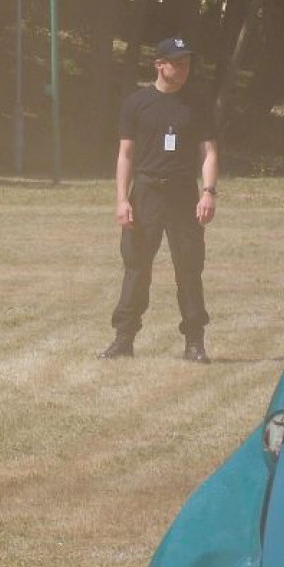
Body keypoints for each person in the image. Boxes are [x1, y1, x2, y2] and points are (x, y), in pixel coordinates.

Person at [99, 37, 217, 364]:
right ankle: (123, 340)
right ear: (159, 64)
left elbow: (207, 151)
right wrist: (122, 199)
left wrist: (208, 192)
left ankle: (195, 343)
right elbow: (125, 155)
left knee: (189, 268)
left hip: (183, 194)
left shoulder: (197, 104)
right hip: (146, 192)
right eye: (176, 62)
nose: (182, 68)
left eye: (187, 63)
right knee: (136, 267)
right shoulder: (136, 103)